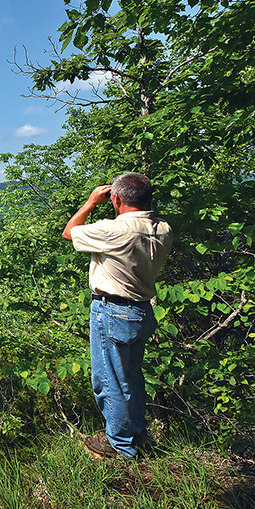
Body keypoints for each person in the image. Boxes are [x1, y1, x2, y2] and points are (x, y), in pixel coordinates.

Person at [62, 173, 173, 459]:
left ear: (117, 198)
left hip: (112, 311)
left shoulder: (113, 231)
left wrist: (89, 203)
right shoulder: (163, 229)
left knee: (110, 380)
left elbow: (69, 231)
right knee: (132, 378)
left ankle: (120, 446)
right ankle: (138, 434)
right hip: (142, 309)